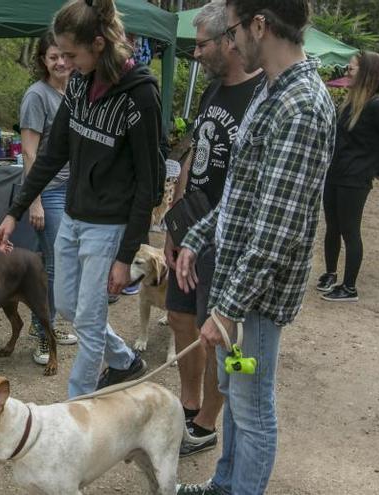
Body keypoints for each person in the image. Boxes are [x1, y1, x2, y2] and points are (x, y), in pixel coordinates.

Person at [174, 1, 335, 493]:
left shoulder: (301, 104)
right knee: (236, 395)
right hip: (238, 284)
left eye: (236, 28)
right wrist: (197, 237)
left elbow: (275, 229)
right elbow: (242, 194)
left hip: (256, 297)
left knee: (253, 406)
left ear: (260, 25)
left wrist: (226, 309)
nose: (231, 38)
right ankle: (224, 484)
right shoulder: (272, 89)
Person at [0, 0, 163, 398]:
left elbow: (149, 184)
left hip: (108, 227)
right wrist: (15, 210)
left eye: (72, 54)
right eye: (61, 54)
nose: (65, 62)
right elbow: (53, 154)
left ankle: (78, 406)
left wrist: (125, 258)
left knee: (87, 320)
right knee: (67, 305)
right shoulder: (78, 84)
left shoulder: (140, 97)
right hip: (72, 215)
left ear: (99, 44)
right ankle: (124, 360)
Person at [164, 0, 264, 458]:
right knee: (181, 317)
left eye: (202, 44)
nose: (196, 53)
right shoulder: (212, 91)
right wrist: (174, 223)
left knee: (215, 328)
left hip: (228, 235)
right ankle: (189, 405)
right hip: (192, 228)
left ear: (230, 39)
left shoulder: (262, 95)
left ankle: (205, 424)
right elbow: (192, 157)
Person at [317, 52, 379, 301]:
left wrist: (378, 169)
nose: (347, 71)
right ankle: (330, 274)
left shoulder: (378, 105)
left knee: (350, 231)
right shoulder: (350, 101)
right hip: (336, 174)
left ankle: (349, 287)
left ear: (366, 72)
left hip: (355, 179)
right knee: (332, 227)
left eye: (352, 68)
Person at [18, 31, 79, 365]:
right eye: (53, 57)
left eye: (65, 56)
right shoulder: (37, 96)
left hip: (71, 191)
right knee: (52, 266)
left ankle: (44, 322)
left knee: (62, 261)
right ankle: (44, 331)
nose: (60, 62)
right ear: (43, 60)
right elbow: (29, 153)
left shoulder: (72, 93)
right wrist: (35, 200)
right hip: (49, 191)